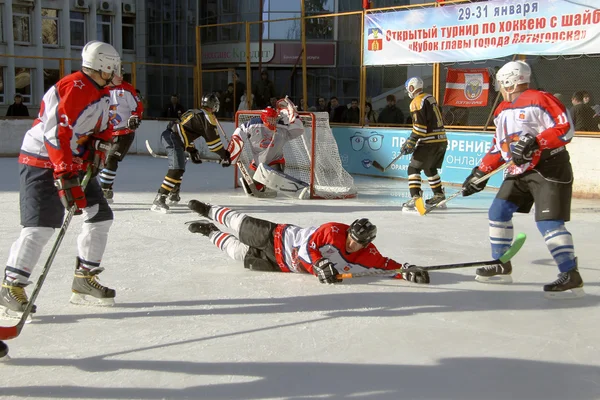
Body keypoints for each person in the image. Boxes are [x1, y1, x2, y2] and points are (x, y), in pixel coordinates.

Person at [0, 40, 122, 317]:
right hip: (43, 162)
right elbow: (56, 134)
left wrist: (98, 145)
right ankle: (11, 285)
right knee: (40, 227)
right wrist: (65, 174)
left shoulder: (100, 91)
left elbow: (97, 126)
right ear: (103, 64)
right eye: (113, 66)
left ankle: (83, 279)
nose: (117, 71)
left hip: (72, 163)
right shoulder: (75, 87)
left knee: (100, 217)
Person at [461, 60, 583, 298]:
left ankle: (571, 274)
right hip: (518, 171)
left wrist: (537, 141)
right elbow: (499, 147)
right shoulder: (501, 110)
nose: (499, 86)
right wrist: (480, 172)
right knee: (498, 211)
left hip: (549, 168)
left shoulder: (541, 98)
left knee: (549, 222)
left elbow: (566, 129)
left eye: (500, 81)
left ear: (509, 80)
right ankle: (501, 263)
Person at [186, 200, 430, 285]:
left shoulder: (369, 255)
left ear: (367, 244)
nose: (352, 245)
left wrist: (406, 270)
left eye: (358, 243)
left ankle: (209, 232)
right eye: (351, 238)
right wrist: (319, 265)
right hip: (278, 236)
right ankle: (208, 210)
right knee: (240, 223)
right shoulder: (332, 230)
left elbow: (387, 265)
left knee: (237, 253)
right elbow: (308, 248)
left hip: (281, 265)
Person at [151, 93, 232, 213]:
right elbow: (213, 144)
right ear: (213, 105)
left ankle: (174, 193)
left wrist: (192, 150)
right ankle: (160, 198)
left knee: (180, 167)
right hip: (174, 138)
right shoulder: (207, 117)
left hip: (172, 136)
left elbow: (186, 131)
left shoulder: (195, 112)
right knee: (177, 168)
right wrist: (224, 155)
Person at [229, 98, 304, 195]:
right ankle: (261, 183)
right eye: (269, 119)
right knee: (249, 188)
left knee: (271, 190)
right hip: (258, 163)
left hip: (275, 162)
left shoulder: (282, 127)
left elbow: (299, 129)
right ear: (263, 118)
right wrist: (233, 151)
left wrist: (294, 115)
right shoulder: (254, 125)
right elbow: (240, 132)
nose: (272, 122)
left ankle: (273, 182)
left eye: (274, 119)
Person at [401, 77, 448, 210]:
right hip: (442, 141)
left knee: (413, 168)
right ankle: (439, 195)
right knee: (429, 168)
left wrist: (411, 140)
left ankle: (416, 198)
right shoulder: (430, 98)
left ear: (411, 88)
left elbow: (420, 128)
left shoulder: (417, 102)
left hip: (430, 142)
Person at [98, 72, 144, 203]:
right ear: (109, 76)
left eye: (122, 75)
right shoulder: (101, 89)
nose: (121, 77)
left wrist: (135, 117)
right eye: (118, 75)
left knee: (112, 159)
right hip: (106, 133)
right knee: (102, 162)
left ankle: (104, 190)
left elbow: (138, 107)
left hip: (124, 133)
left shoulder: (127, 89)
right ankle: (107, 187)